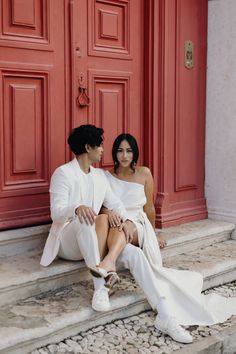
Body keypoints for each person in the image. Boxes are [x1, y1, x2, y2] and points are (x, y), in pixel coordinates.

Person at [102, 133, 236, 344]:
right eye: (120, 150)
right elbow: (104, 205)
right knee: (124, 237)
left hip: (138, 222)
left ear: (134, 152)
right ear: (114, 152)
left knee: (128, 226)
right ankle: (164, 313)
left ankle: (108, 262)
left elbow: (148, 208)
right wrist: (110, 213)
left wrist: (153, 236)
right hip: (117, 223)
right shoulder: (106, 177)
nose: (124, 155)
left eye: (128, 150)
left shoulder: (144, 173)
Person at [40, 125, 134, 312]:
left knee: (110, 219)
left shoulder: (99, 176)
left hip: (91, 239)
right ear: (87, 147)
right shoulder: (63, 173)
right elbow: (56, 213)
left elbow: (116, 204)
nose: (103, 150)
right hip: (67, 243)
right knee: (84, 219)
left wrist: (128, 220)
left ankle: (103, 268)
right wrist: (76, 208)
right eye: (99, 145)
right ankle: (101, 287)